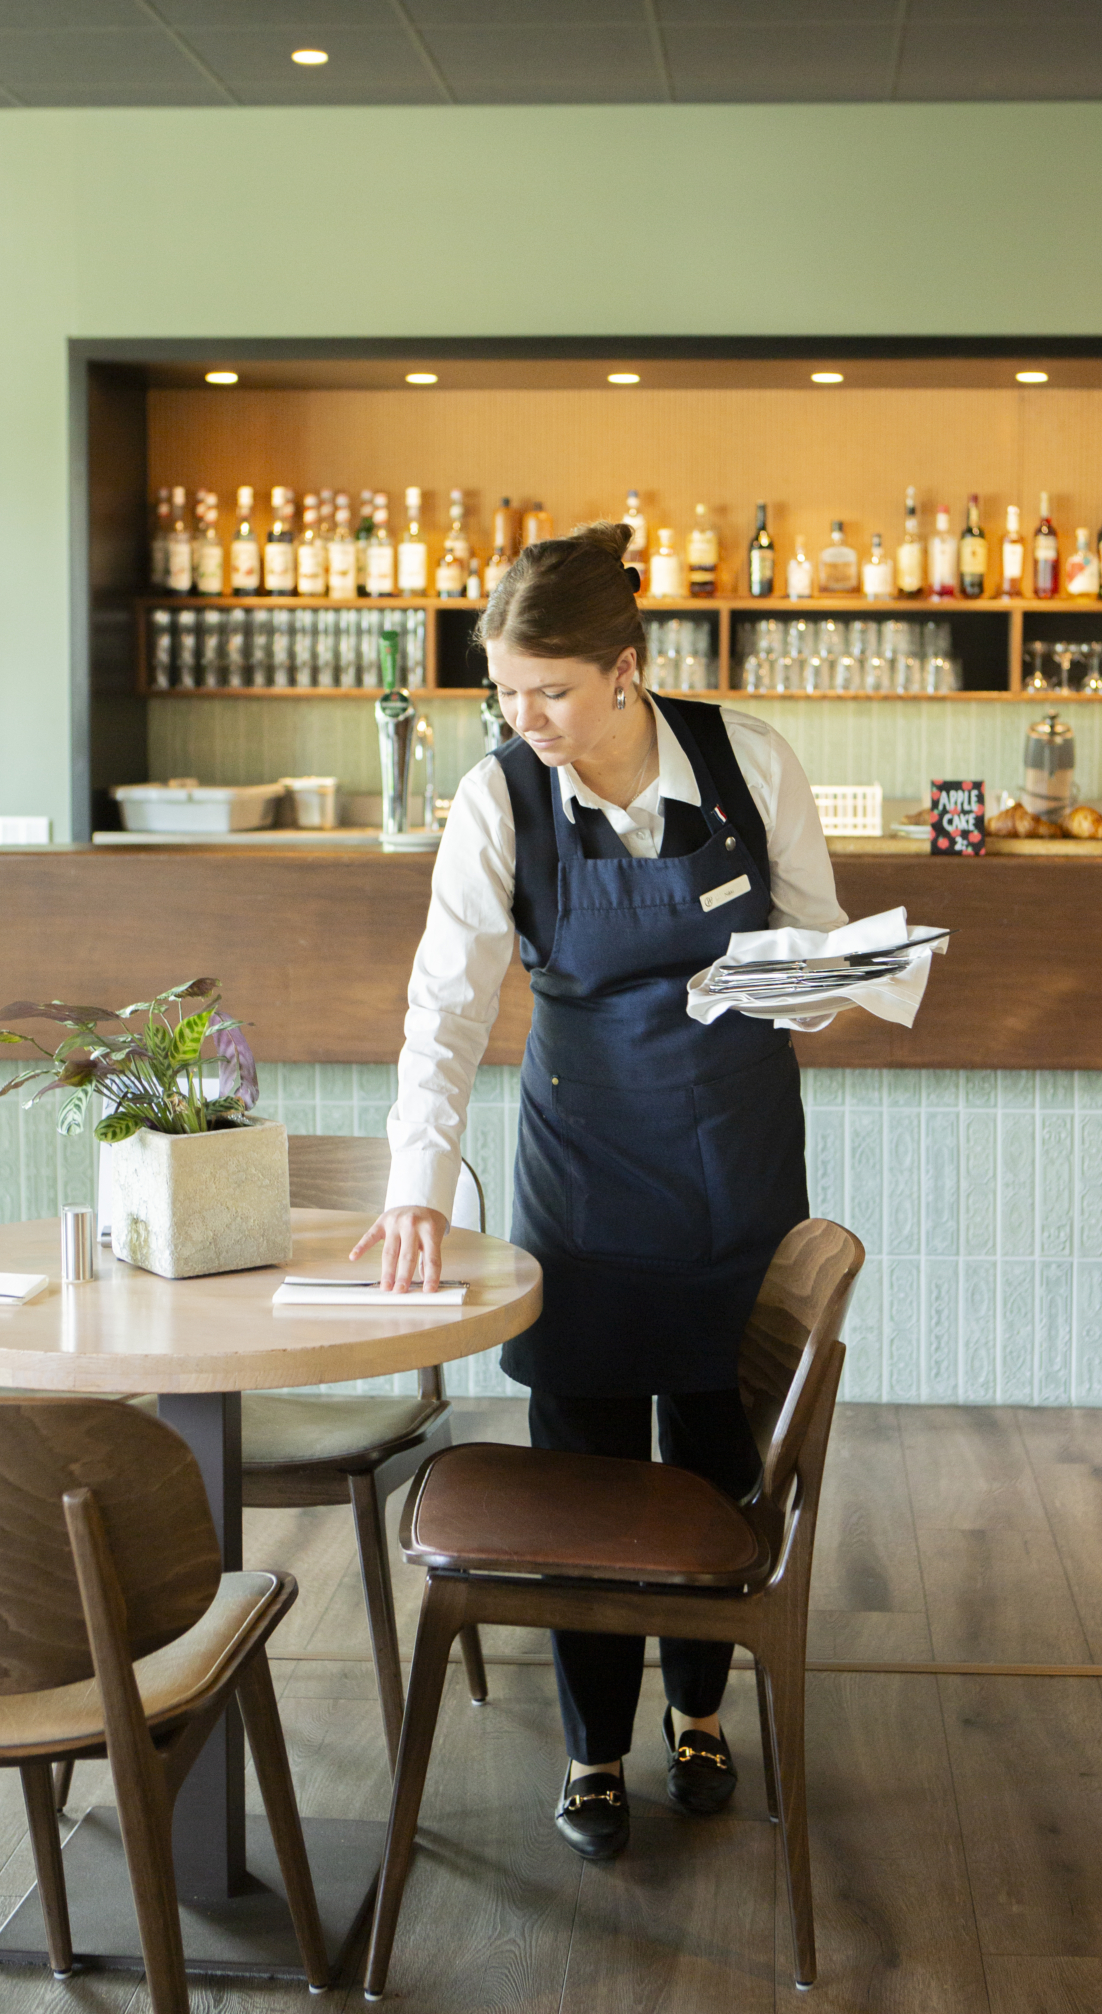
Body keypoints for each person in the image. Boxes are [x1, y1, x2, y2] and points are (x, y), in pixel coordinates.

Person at [353, 522, 844, 1859]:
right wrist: (415, 1186)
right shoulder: (499, 798)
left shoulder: (748, 758)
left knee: (713, 1447)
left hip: (735, 1161)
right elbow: (446, 1009)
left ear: (627, 669)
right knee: (579, 1466)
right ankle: (587, 1751)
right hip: (581, 1171)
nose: (526, 720)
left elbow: (812, 935)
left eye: (550, 691)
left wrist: (830, 979)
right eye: (504, 692)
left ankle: (699, 1715)